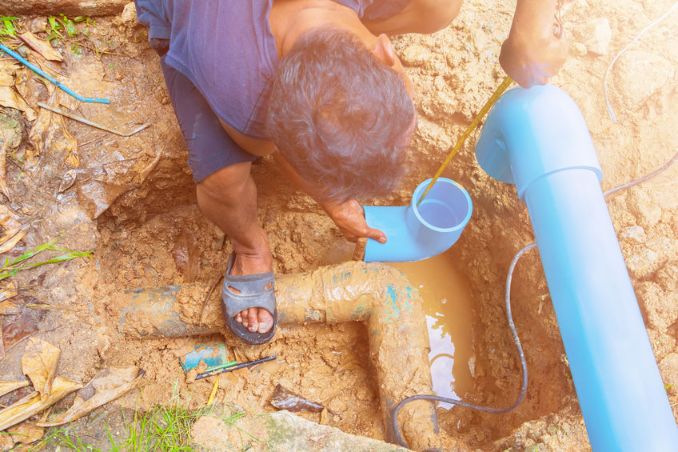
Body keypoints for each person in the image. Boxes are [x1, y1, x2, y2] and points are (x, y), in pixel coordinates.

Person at [135, 0, 567, 344]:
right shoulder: (242, 90)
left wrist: (530, 33)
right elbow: (273, 149)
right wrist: (332, 199)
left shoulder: (292, 70)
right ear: (385, 53)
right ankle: (250, 248)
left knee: (441, 5)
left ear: (383, 52)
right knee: (222, 180)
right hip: (188, 23)